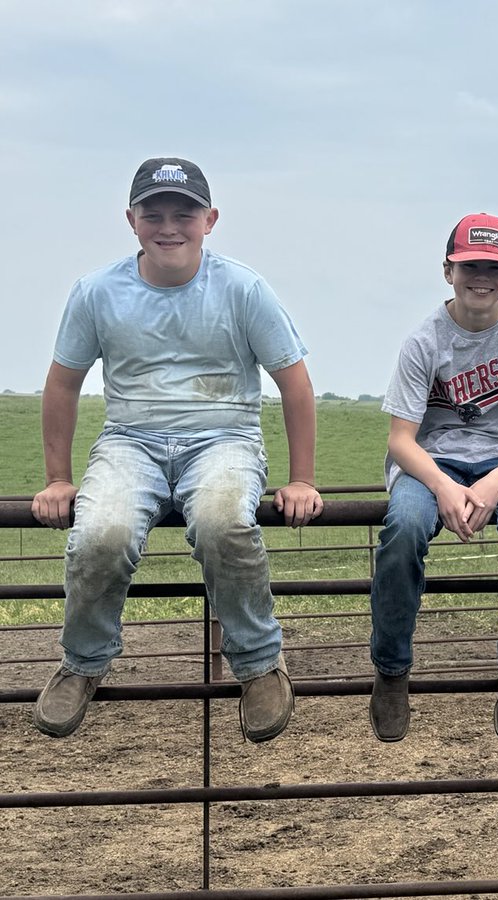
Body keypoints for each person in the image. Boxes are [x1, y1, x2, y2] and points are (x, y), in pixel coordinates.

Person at [30, 157, 322, 743]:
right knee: (98, 533)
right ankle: (83, 664)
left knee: (222, 522)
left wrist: (302, 480)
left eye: (183, 214)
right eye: (153, 213)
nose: (169, 226)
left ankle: (261, 663)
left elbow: (293, 380)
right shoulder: (96, 292)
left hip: (224, 438)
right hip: (129, 440)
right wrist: (58, 479)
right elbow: (63, 381)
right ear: (131, 220)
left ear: (209, 220)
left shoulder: (241, 287)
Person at [369, 212, 498, 743]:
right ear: (448, 271)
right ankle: (391, 672)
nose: (483, 277)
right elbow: (401, 440)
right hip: (431, 460)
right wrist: (444, 487)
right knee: (404, 529)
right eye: (471, 266)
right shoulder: (423, 342)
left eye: (496, 268)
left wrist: (495, 482)